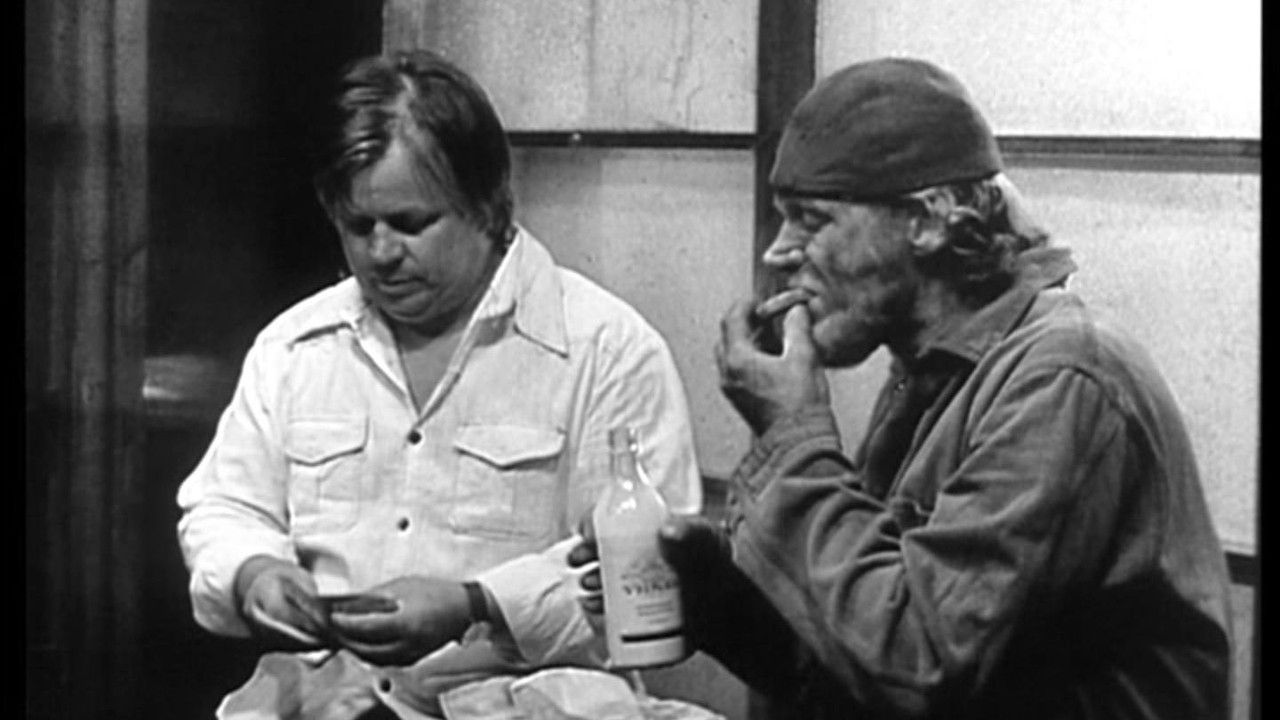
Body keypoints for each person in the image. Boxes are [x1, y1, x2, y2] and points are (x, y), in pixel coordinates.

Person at [574, 57, 1233, 719]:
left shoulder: (1059, 378)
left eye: (811, 219)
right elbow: (857, 667)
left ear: (927, 220)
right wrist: (719, 600)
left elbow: (923, 666)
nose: (779, 251)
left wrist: (792, 440)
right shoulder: (935, 377)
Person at [176, 49, 702, 720]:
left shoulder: (606, 351)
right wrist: (255, 574)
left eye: (411, 224)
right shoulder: (295, 348)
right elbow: (223, 507)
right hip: (323, 701)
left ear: (487, 206)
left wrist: (475, 604)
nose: (381, 253)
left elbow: (645, 585)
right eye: (358, 226)